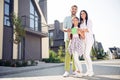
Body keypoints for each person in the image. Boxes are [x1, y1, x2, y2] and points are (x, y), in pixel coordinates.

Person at [62, 5, 78, 77]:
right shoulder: (66, 18)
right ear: (70, 9)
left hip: (75, 39)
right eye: (73, 9)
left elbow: (78, 28)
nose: (74, 10)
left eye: (75, 9)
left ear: (76, 10)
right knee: (68, 54)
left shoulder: (78, 19)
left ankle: (75, 70)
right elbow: (63, 28)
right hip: (68, 39)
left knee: (75, 55)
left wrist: (71, 31)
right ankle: (67, 71)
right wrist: (67, 30)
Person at [79, 10, 94, 76]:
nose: (82, 15)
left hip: (89, 40)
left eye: (83, 13)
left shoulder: (89, 21)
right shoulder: (81, 23)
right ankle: (88, 71)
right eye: (81, 14)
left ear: (86, 14)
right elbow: (80, 32)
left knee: (87, 54)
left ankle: (91, 71)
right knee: (84, 56)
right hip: (83, 40)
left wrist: (81, 30)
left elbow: (88, 29)